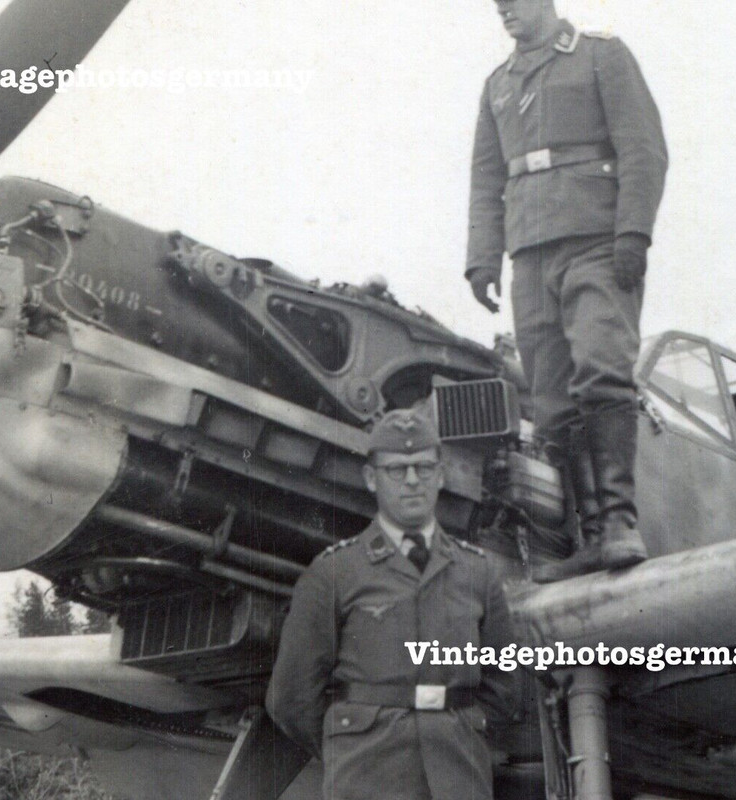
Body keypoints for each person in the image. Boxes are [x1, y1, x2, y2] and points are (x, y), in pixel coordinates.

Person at [466, 0, 668, 581]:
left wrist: (633, 232)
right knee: (550, 401)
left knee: (602, 370)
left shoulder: (601, 54)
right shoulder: (497, 84)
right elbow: (486, 178)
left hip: (595, 241)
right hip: (530, 255)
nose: (502, 8)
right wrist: (482, 257)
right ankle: (588, 537)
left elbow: (644, 149)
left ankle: (620, 523)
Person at [267, 408, 515, 800]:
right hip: (367, 778)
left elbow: (505, 686)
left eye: (424, 467)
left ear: (441, 475)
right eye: (397, 469)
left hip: (458, 777)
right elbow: (291, 698)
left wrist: (461, 731)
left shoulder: (478, 572)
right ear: (371, 478)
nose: (413, 480)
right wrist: (349, 744)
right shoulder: (334, 572)